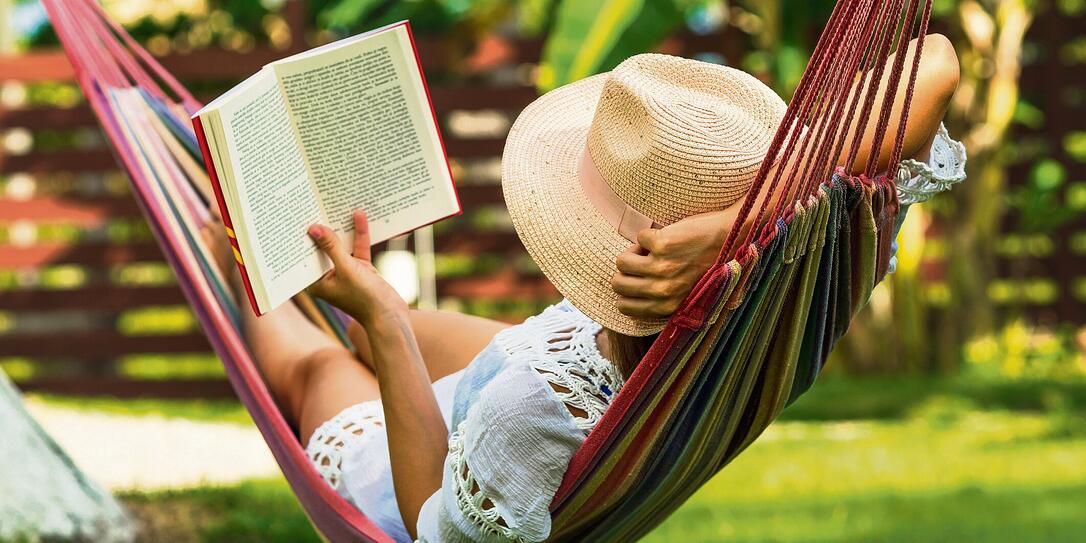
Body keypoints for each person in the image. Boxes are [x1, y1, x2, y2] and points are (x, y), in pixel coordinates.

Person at [203, 35, 965, 542]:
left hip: (441, 464)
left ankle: (237, 263)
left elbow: (432, 523)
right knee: (377, 328)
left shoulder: (529, 413)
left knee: (327, 366)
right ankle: (356, 309)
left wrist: (386, 321)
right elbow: (937, 60)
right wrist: (742, 222)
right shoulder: (801, 276)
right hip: (586, 357)